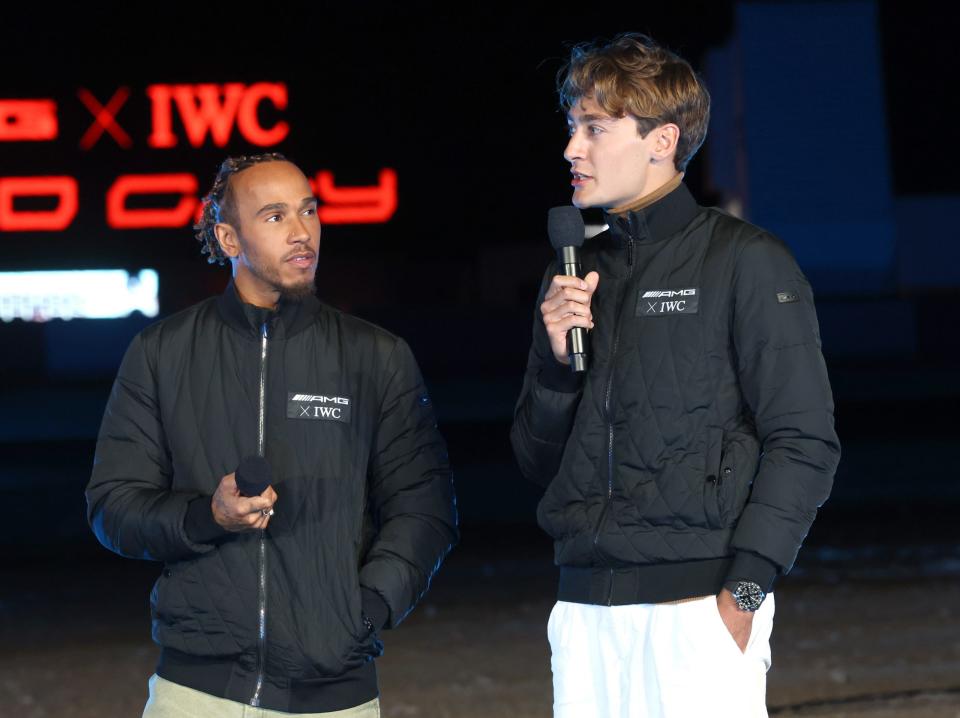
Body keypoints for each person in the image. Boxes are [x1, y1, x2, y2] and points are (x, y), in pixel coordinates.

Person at [510, 34, 840, 717]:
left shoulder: (745, 261)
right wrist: (554, 361)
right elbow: (536, 461)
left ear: (661, 140)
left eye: (595, 128)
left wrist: (745, 591)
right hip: (583, 609)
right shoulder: (570, 272)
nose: (573, 149)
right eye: (573, 127)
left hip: (698, 612)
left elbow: (805, 441)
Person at [86, 153, 458, 717]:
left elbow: (424, 506)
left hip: (334, 692)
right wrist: (206, 517)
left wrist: (365, 608)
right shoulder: (162, 353)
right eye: (275, 216)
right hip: (196, 691)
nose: (302, 231)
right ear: (229, 239)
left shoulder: (376, 357)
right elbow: (113, 505)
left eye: (308, 211)